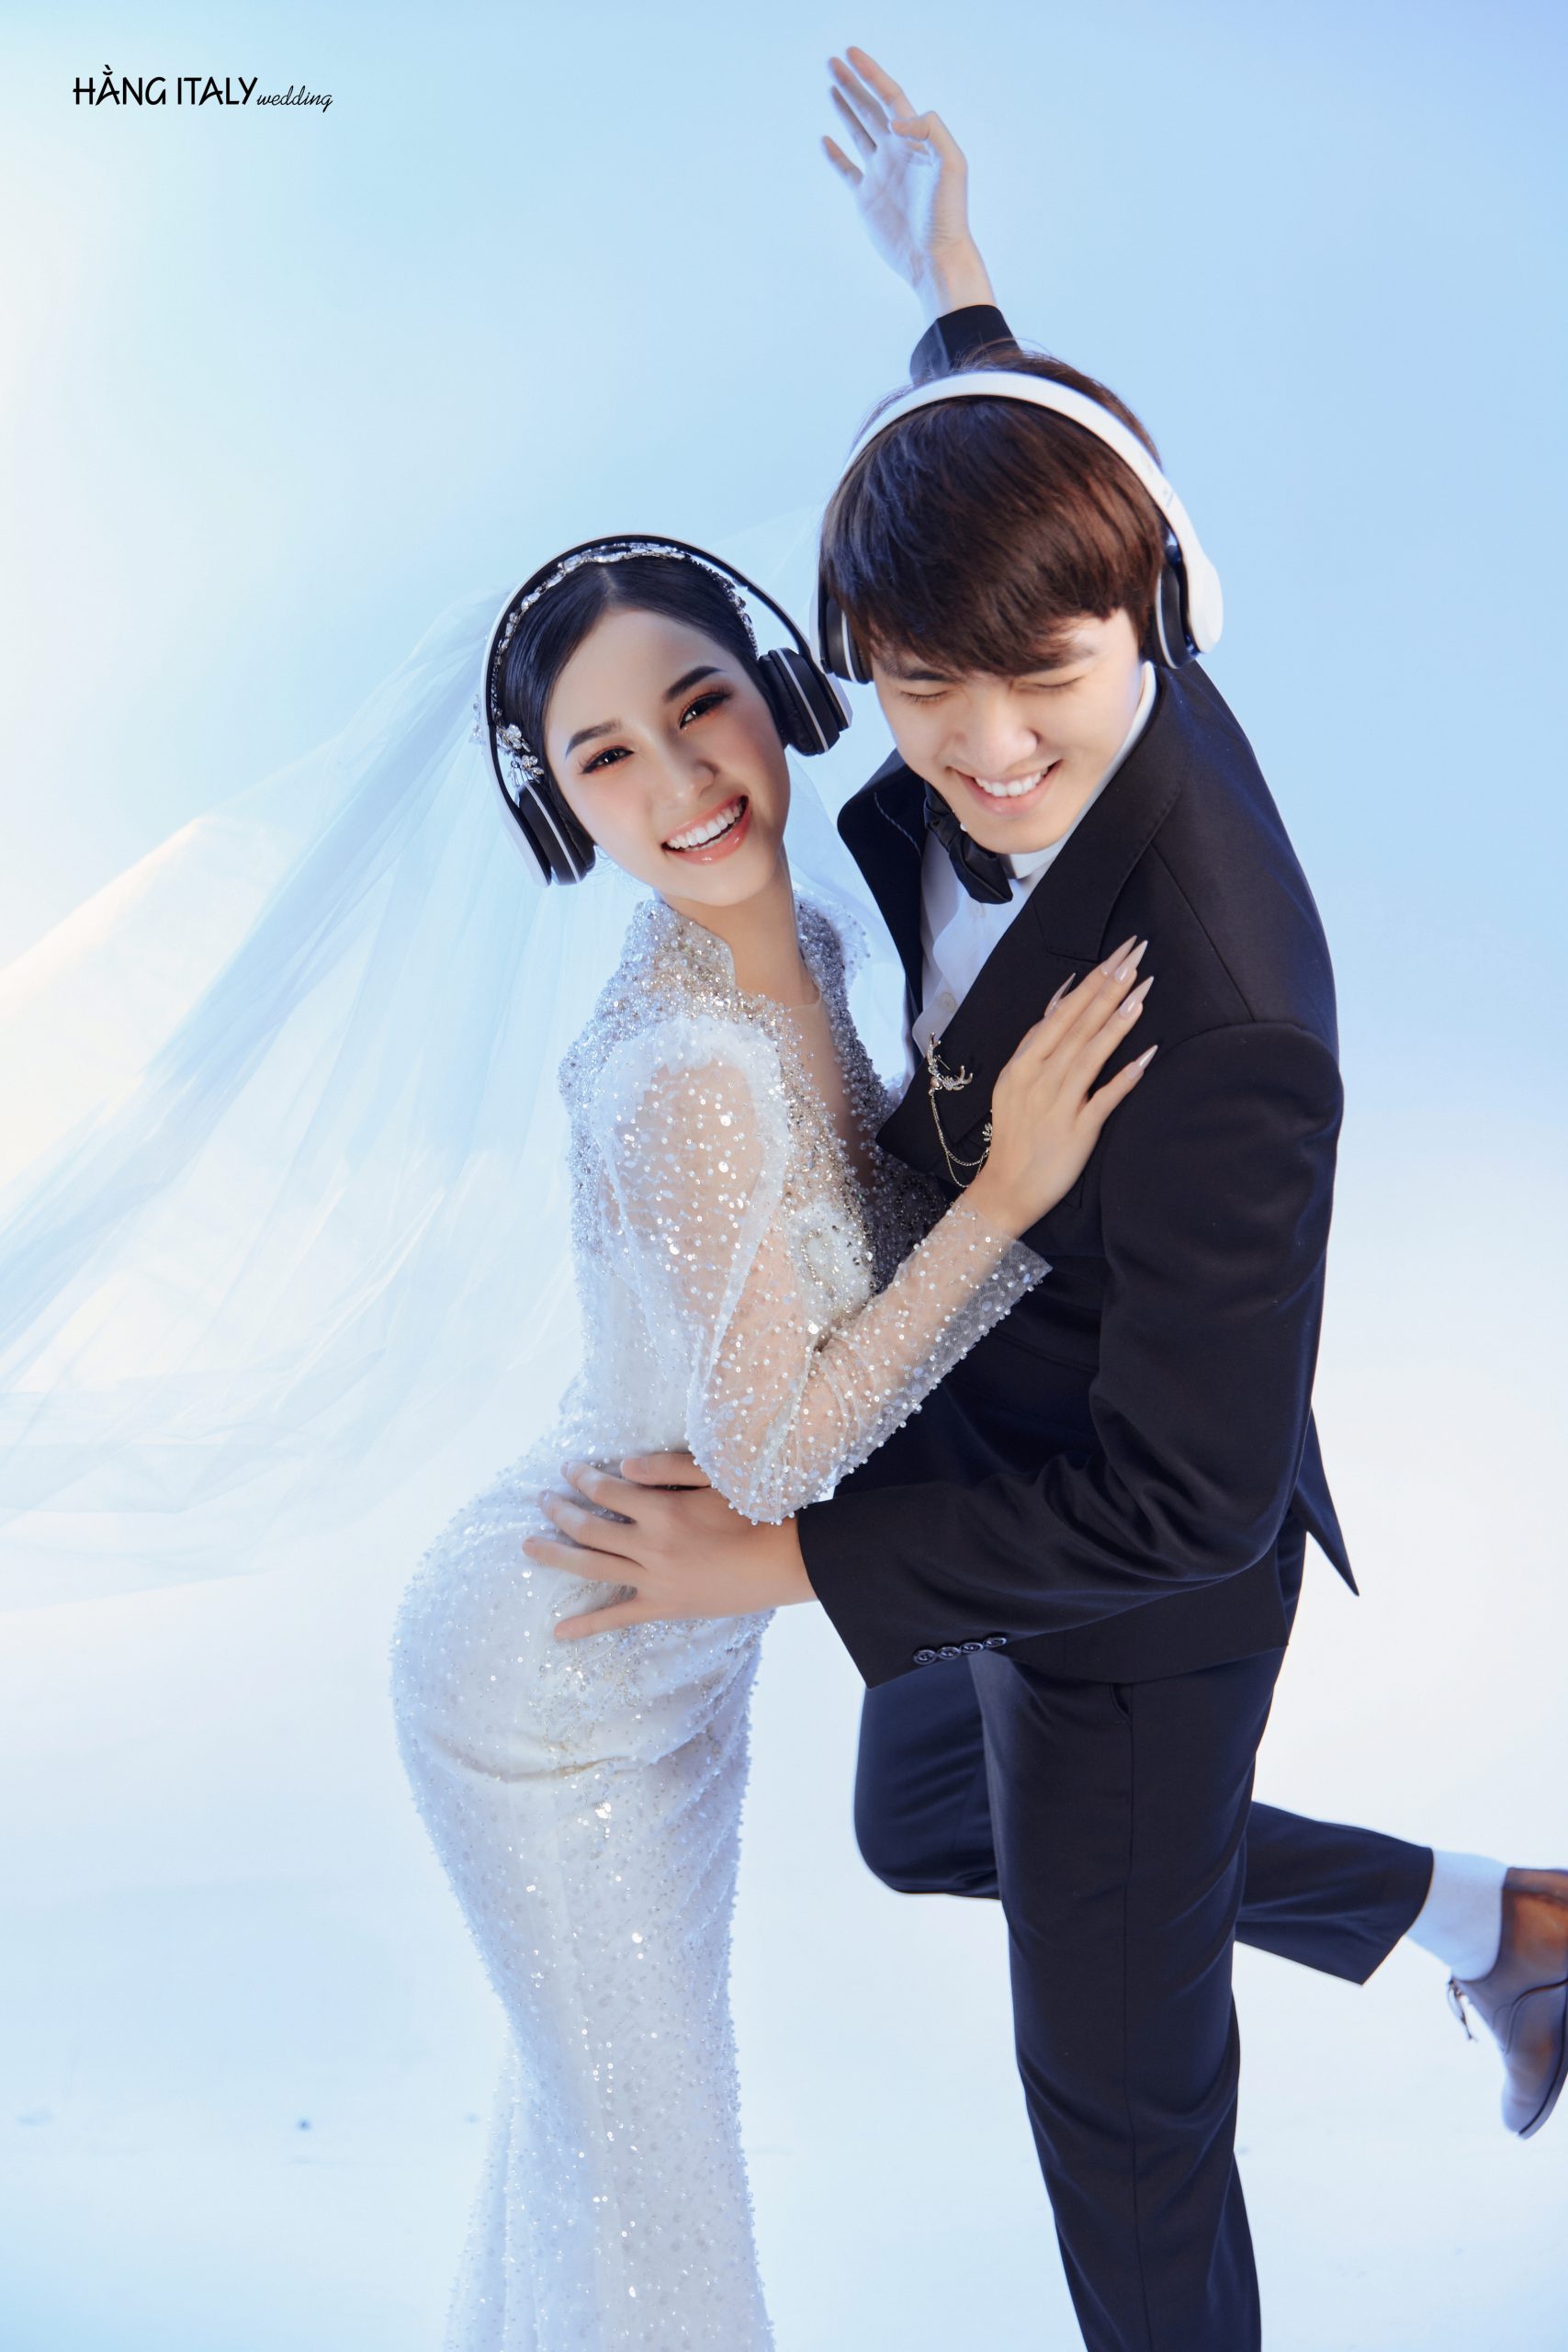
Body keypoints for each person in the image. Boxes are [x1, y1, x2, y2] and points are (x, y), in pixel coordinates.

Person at [536, 55, 1568, 2352]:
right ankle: (1499, 1920)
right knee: (920, 1817)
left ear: (1152, 617)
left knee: (1119, 2112)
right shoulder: (1034, 569)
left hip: (1123, 1569)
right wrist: (947, 267)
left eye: (1046, 679)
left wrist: (773, 1555)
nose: (988, 746)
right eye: (922, 686)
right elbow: (1010, 444)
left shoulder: (1230, 1018)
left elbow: (1186, 1500)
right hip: (964, 1422)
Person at [388, 534, 1156, 2348]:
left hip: (670, 1647)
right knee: (646, 2163)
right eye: (607, 758)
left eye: (699, 706)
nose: (683, 780)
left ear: (781, 695)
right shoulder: (685, 1073)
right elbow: (772, 1456)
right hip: (553, 1673)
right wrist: (1010, 1196)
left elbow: (852, 1237)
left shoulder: (797, 944)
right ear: (563, 811)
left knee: (607, 2140)